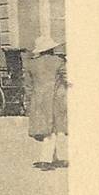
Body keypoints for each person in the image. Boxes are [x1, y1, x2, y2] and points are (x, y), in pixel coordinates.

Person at [24, 36, 68, 170]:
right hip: (56, 98)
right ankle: (45, 160)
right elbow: (68, 78)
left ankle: (54, 157)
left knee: (46, 128)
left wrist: (29, 100)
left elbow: (28, 86)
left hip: (38, 99)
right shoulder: (59, 61)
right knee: (53, 128)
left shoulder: (31, 64)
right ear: (51, 49)